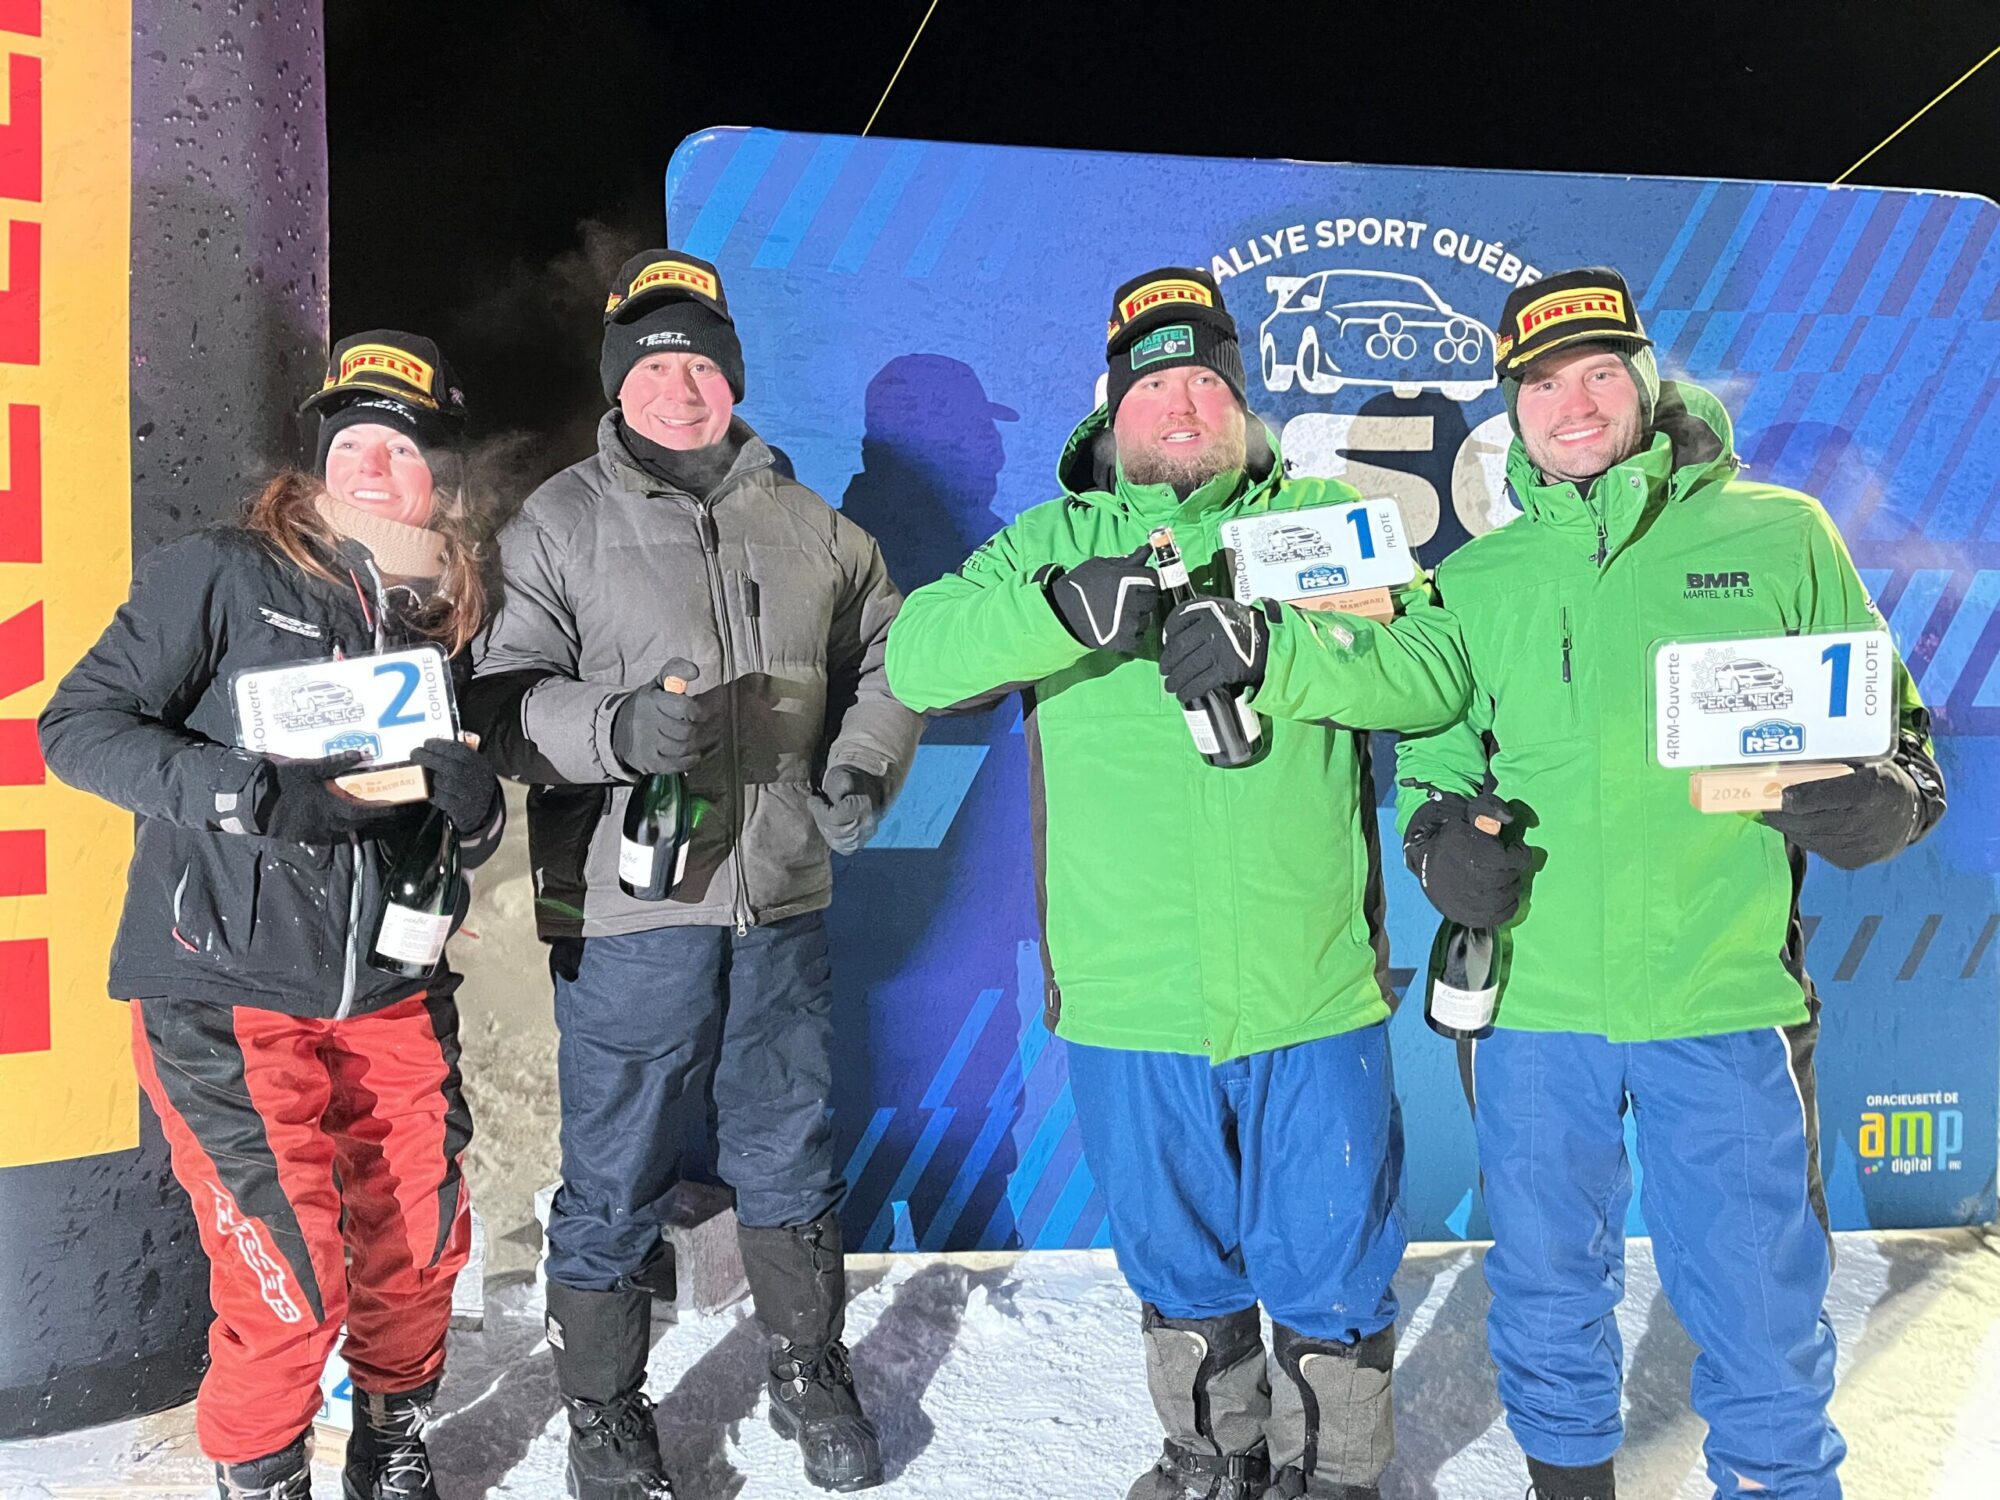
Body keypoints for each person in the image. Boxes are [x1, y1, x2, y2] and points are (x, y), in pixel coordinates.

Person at [1258, 267, 1946, 1499]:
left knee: (1755, 1292)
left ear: (1640, 382)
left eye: (1595, 374)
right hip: (1533, 1009)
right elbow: (1433, 765)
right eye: (1538, 385)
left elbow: (1895, 740)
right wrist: (1438, 851)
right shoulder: (1474, 579)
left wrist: (1884, 798)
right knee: (1541, 1278)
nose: (1570, 405)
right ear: (1509, 414)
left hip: (1723, 998)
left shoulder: (1778, 532)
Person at [884, 267, 1467, 1500]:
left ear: (1242, 404)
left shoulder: (1321, 520)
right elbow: (921, 658)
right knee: (1177, 1257)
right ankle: (1212, 1451)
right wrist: (1061, 612)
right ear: (1113, 413)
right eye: (1157, 385)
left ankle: (1339, 1472)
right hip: (1126, 994)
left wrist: (1285, 652)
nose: (1184, 403)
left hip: (1309, 985)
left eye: (1207, 379)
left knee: (1328, 1255)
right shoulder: (1053, 541)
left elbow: (1428, 676)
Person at [465, 250, 921, 1498]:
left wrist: (865, 765)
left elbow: (892, 651)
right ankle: (604, 1417)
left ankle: (807, 1365)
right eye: (656, 365)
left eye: (701, 364)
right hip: (627, 911)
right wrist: (613, 729)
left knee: (788, 1146)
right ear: (621, 383)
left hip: (778, 897)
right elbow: (501, 699)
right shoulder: (557, 520)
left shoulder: (812, 522)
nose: (681, 386)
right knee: (614, 1169)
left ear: (731, 380)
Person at [39, 332, 504, 1500]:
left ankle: (393, 1438)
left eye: (400, 450)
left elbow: (426, 825)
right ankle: (261, 1471)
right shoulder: (223, 570)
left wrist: (473, 809)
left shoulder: (438, 619)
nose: (374, 467)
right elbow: (76, 728)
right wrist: (245, 786)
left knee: (423, 1237)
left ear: (436, 479)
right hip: (224, 985)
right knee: (289, 1277)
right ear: (316, 465)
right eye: (353, 444)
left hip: (390, 985)